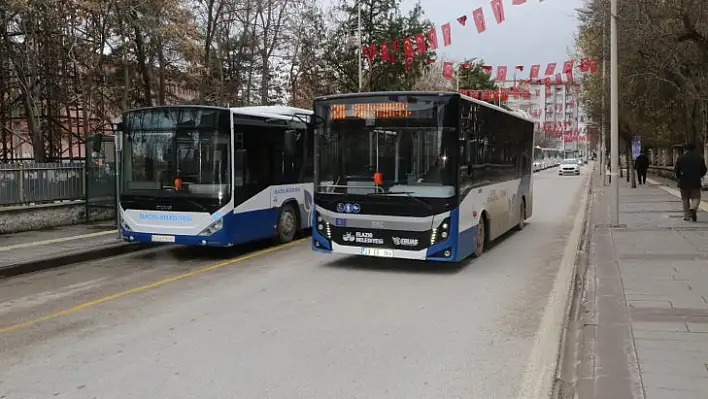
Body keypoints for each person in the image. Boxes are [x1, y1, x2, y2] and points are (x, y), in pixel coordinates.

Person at [674, 143, 707, 222]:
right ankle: (693, 208)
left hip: (684, 182)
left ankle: (687, 216)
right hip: (695, 181)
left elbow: (677, 170)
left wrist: (679, 177)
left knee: (685, 199)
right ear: (694, 149)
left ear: (685, 149)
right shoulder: (700, 158)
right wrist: (699, 175)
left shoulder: (681, 158)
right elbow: (704, 170)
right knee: (696, 197)